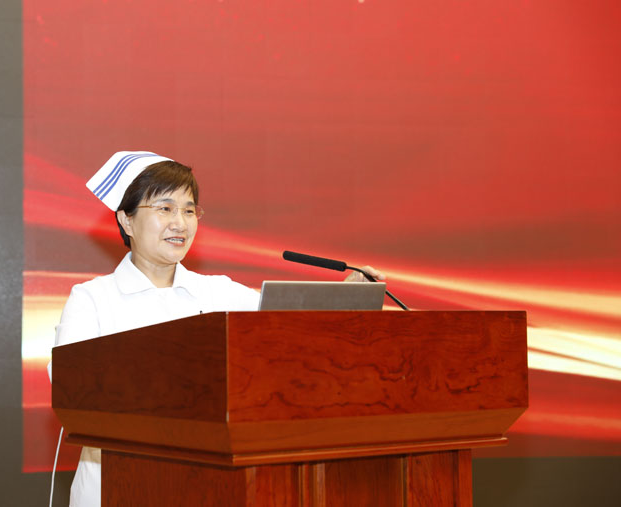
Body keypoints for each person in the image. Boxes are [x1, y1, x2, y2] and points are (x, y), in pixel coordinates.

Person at [51, 151, 384, 506]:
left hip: (206, 488)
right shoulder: (92, 298)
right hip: (117, 488)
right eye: (165, 208)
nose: (180, 223)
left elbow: (294, 327)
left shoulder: (218, 292)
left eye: (189, 210)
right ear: (127, 221)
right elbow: (72, 386)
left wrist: (347, 296)